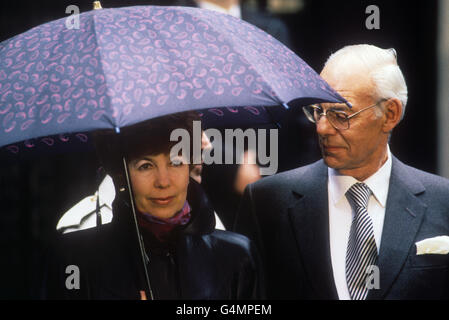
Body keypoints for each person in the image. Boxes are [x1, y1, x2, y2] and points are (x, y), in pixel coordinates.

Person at [234, 44, 449, 300]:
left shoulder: (442, 201)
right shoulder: (266, 202)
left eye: (340, 115)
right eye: (318, 112)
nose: (322, 128)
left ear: (390, 114)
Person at [43, 112, 263, 299]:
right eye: (146, 166)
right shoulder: (73, 259)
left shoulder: (236, 255)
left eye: (176, 161)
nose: (163, 181)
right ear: (119, 174)